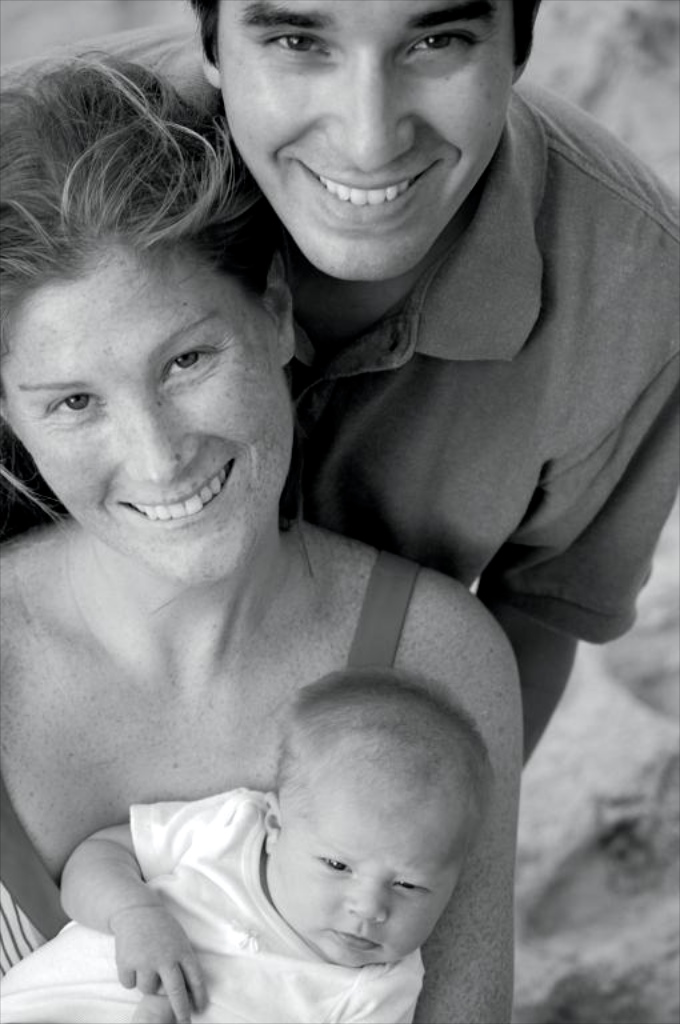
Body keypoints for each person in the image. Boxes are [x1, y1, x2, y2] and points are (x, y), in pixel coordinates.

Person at [9, 0, 675, 770]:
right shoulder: (23, 199)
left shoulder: (636, 284)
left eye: (437, 40)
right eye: (298, 40)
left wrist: (410, 833)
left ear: (518, 46)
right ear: (211, 41)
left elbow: (539, 611)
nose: (367, 142)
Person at [0, 58, 521, 1024]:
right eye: (74, 402)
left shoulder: (435, 661)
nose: (159, 459)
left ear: (276, 312)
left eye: (188, 359)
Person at [1, 670, 492, 1024]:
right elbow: (96, 857)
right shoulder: (231, 829)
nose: (369, 908)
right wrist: (132, 915)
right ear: (275, 824)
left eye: (408, 884)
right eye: (337, 864)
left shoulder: (377, 990)